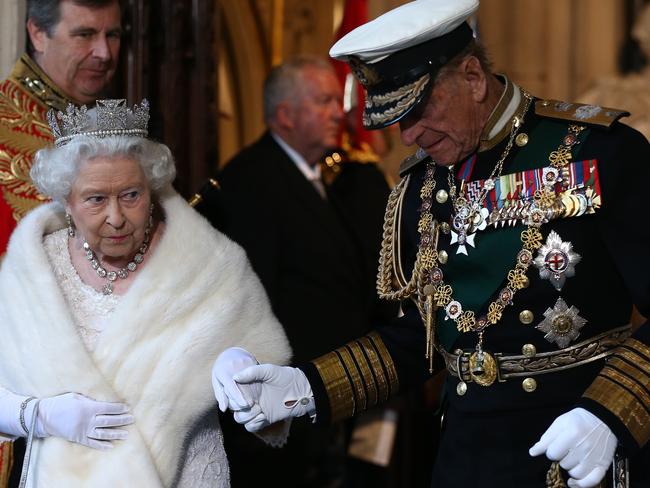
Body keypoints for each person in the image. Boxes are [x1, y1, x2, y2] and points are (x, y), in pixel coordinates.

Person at [213, 1, 650, 487]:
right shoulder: (425, 182)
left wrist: (610, 413)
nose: (409, 136)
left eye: (419, 110)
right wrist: (309, 388)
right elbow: (426, 336)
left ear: (472, 77)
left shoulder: (599, 152)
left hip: (578, 453)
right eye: (397, 120)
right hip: (464, 459)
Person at [0, 98, 291, 487]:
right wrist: (41, 415)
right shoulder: (36, 271)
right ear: (66, 202)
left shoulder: (206, 264)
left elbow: (274, 392)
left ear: (152, 189)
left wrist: (243, 362)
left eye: (131, 195)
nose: (117, 217)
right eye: (96, 199)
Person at [196, 57, 396, 487]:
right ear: (286, 115)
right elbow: (251, 302)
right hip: (285, 404)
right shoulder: (250, 183)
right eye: (323, 101)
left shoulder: (330, 177)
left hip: (336, 395)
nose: (338, 112)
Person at [0, 0, 121, 255]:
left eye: (112, 35)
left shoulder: (122, 130)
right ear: (38, 34)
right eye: (84, 35)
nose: (104, 53)